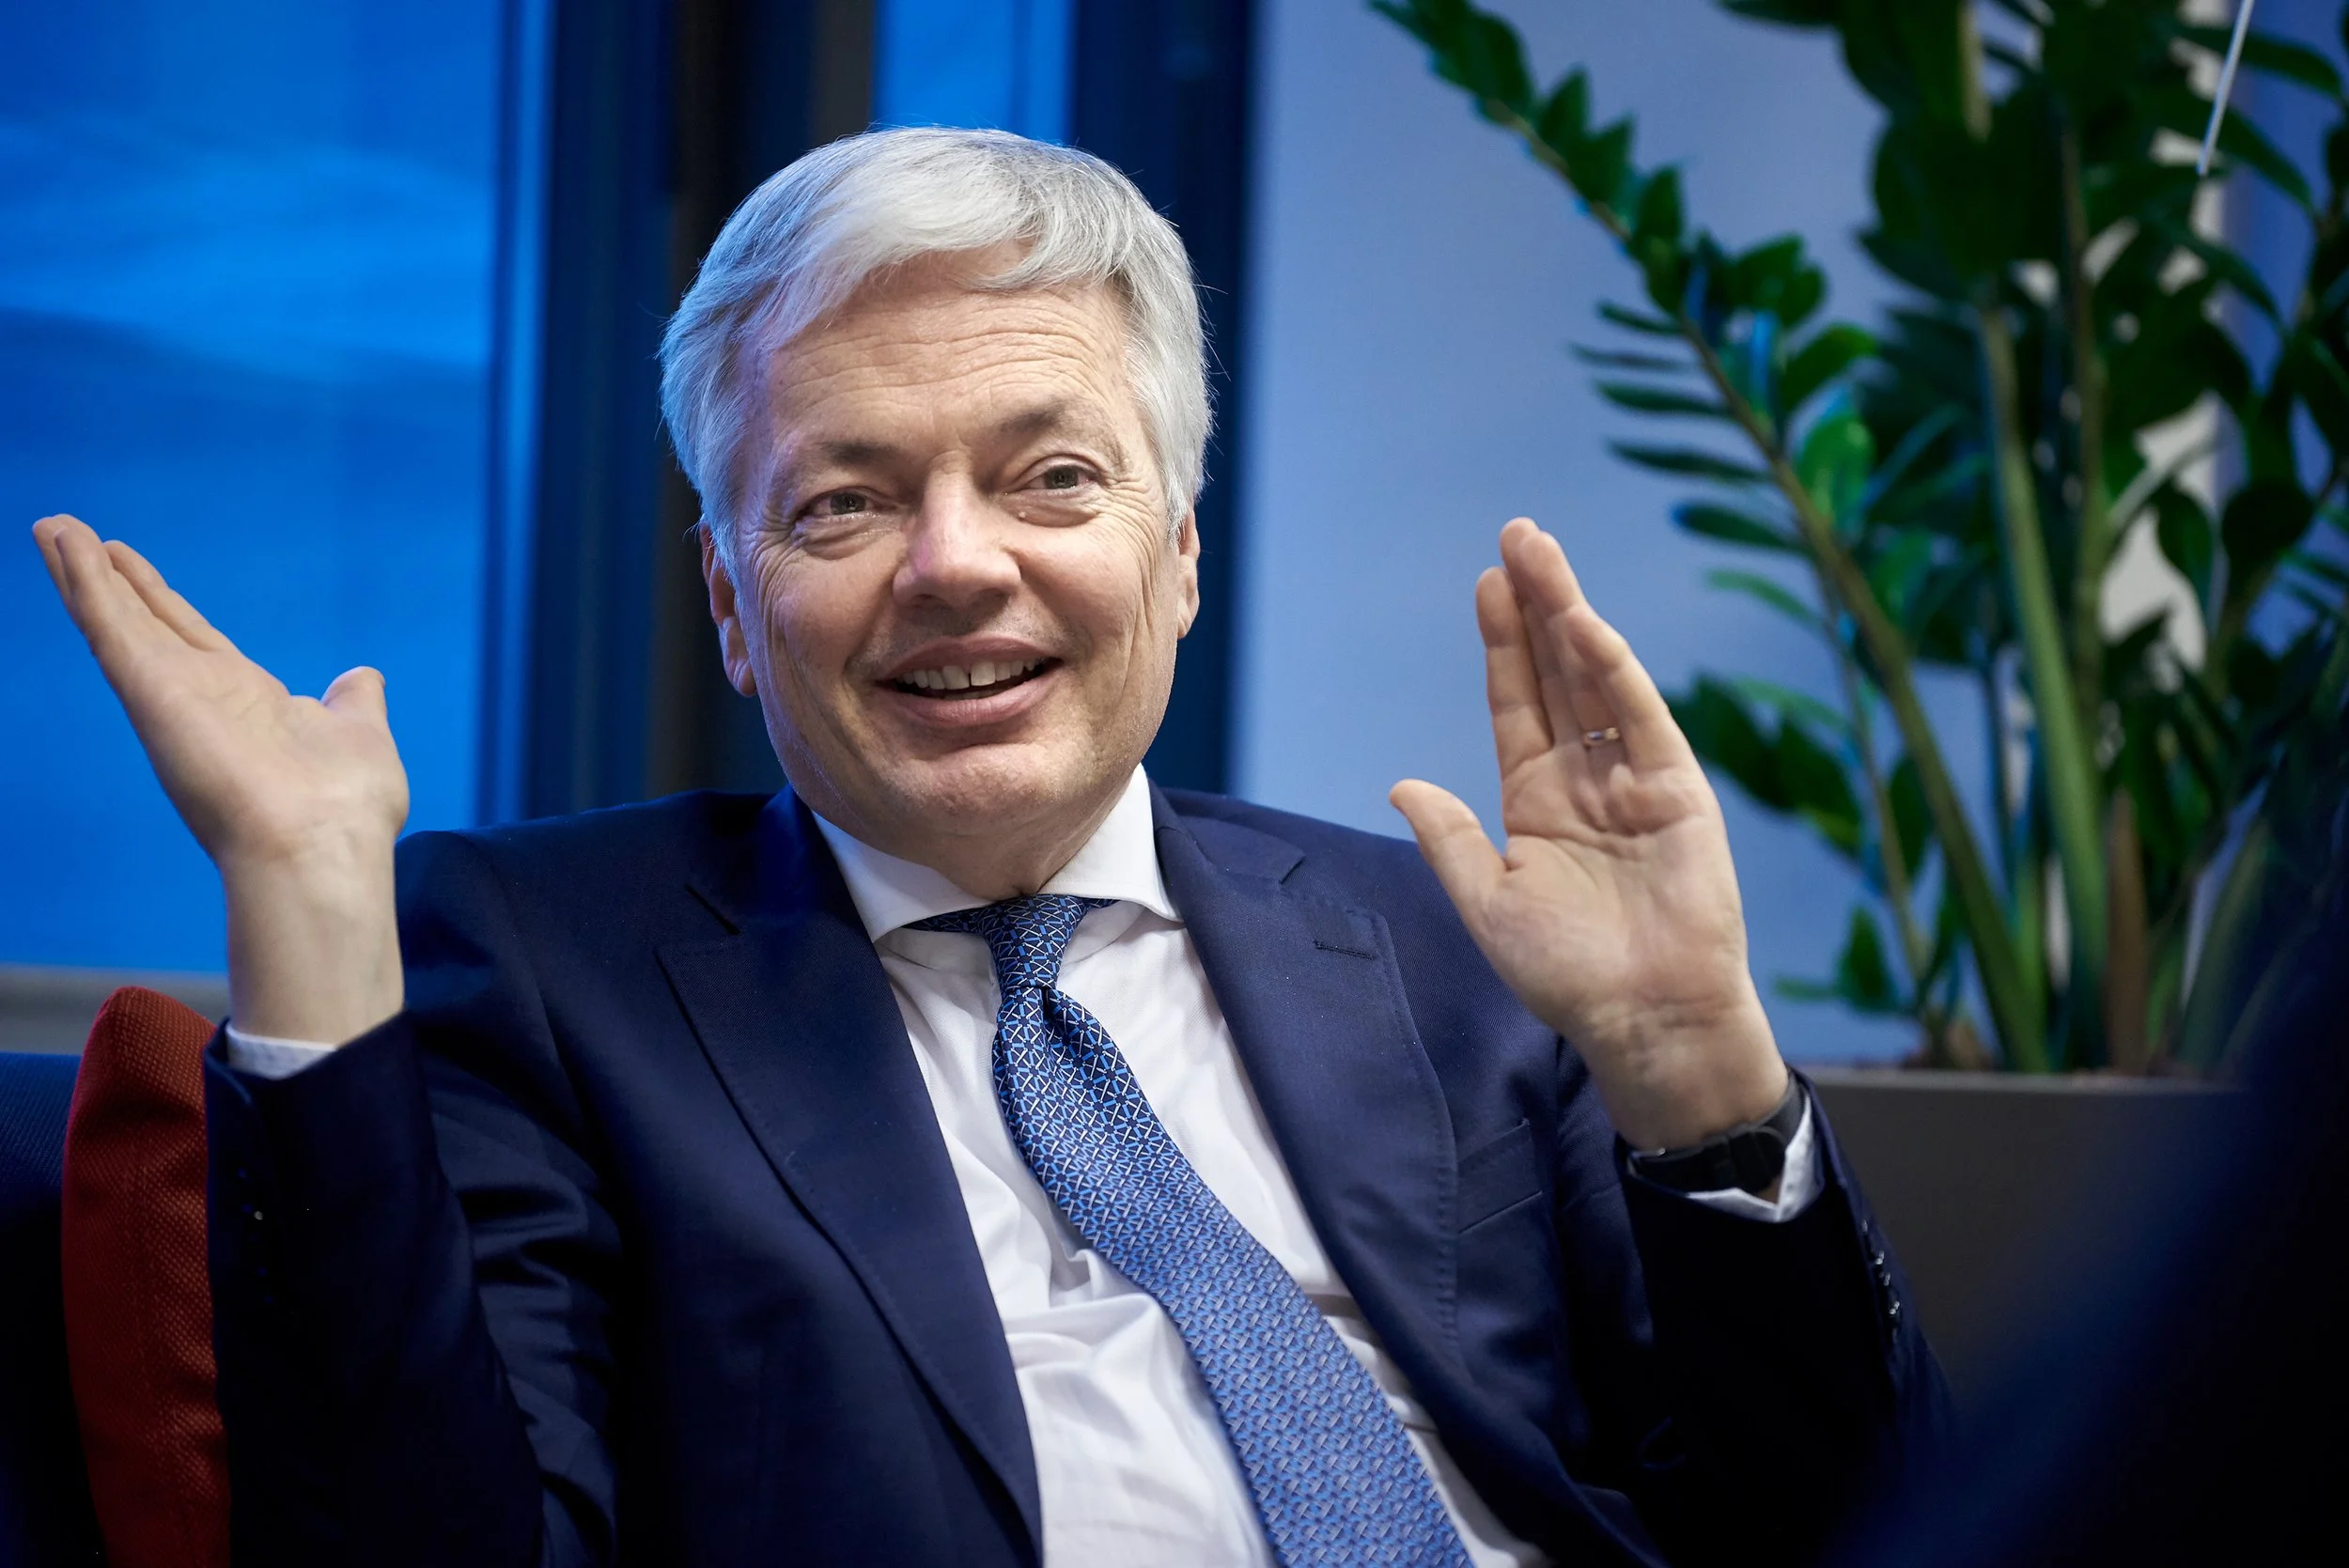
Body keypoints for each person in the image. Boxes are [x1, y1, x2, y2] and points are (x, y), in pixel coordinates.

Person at [30, 128, 1944, 1568]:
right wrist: (304, 898)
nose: (956, 564)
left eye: (1053, 478)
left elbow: (1855, 1522)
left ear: (1176, 558)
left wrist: (1695, 1066)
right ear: (730, 606)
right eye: (844, 502)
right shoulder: (544, 965)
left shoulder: (1448, 940)